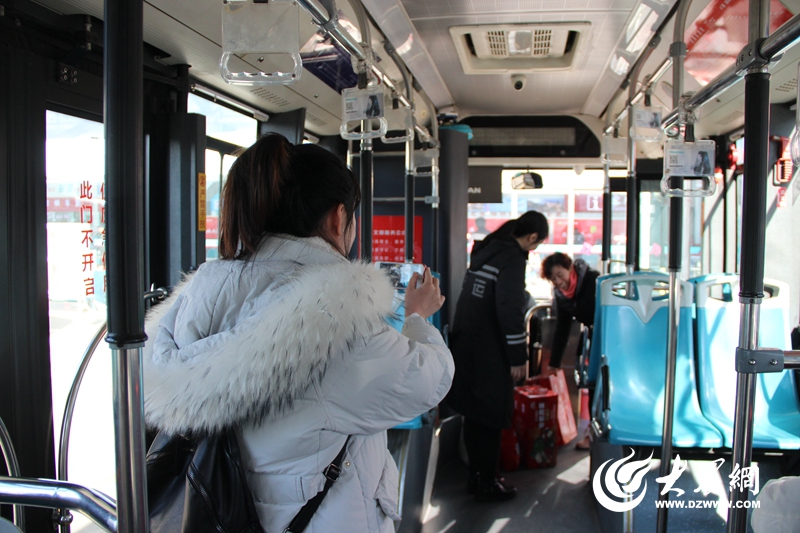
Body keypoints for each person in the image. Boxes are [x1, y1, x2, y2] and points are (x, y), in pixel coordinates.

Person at [142, 134, 454, 533]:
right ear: (338, 218)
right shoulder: (336, 318)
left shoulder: (199, 292)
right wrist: (417, 317)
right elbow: (429, 379)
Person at [445, 210, 549, 502]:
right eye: (537, 243)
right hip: (490, 352)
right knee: (491, 417)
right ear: (532, 237)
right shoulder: (512, 258)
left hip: (467, 346)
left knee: (473, 415)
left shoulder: (487, 251)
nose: (534, 248)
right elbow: (509, 309)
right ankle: (488, 483)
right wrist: (518, 356)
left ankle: (476, 477)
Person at [540, 252, 600, 449]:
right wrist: (554, 363)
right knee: (592, 384)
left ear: (570, 268)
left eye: (560, 275)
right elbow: (562, 328)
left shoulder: (593, 280)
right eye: (553, 279)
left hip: (608, 336)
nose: (558, 282)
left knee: (604, 386)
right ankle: (593, 435)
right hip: (593, 338)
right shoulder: (561, 296)